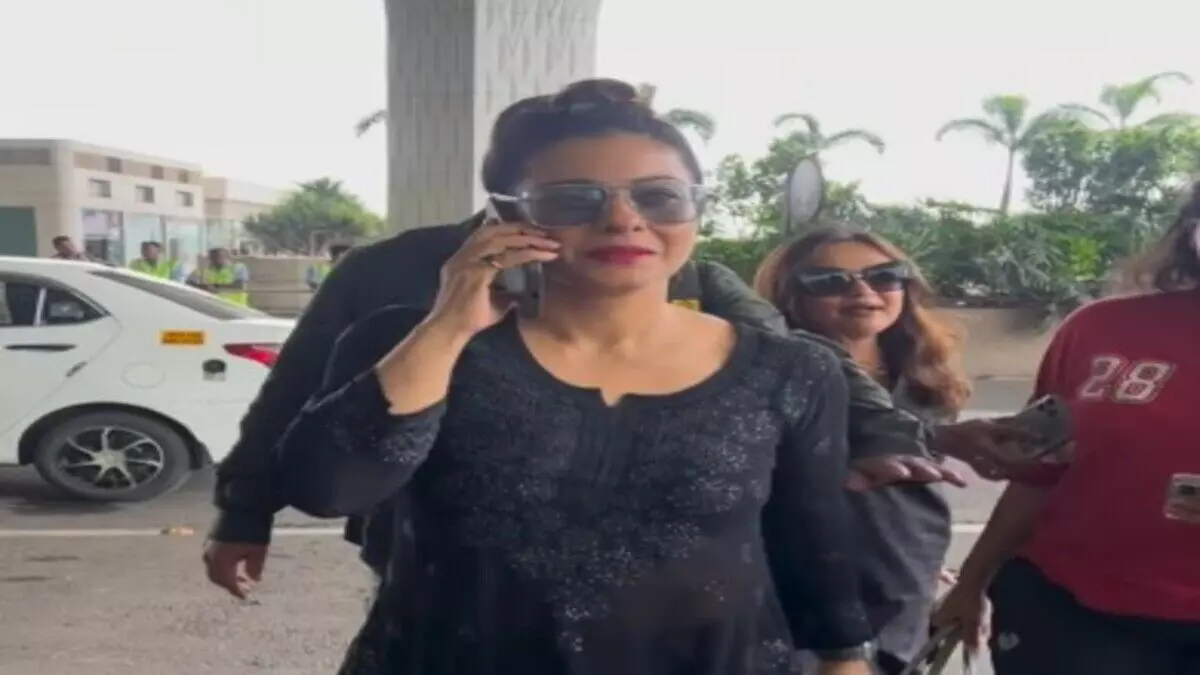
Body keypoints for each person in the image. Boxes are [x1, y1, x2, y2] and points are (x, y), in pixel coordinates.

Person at [272, 78, 874, 675]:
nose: (622, 219)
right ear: (507, 216)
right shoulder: (411, 343)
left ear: (696, 208)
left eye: (659, 197)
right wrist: (449, 323)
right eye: (572, 200)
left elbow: (814, 551)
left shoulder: (789, 370)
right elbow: (328, 491)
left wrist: (845, 661)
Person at [936, 183, 1200, 674]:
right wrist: (971, 582)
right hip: (1071, 611)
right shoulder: (1100, 328)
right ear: (1191, 232)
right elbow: (1038, 470)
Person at [754, 226, 974, 674]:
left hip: (902, 602)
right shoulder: (765, 376)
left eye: (884, 275)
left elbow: (907, 502)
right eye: (829, 281)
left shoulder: (922, 377)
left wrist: (939, 574)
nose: (862, 291)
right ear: (789, 296)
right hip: (804, 612)